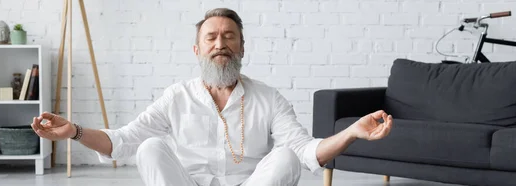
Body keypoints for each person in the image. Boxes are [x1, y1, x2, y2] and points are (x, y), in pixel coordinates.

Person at [31, 8, 393, 186]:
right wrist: (74, 132)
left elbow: (303, 151)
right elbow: (124, 141)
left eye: (229, 36)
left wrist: (350, 133)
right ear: (197, 49)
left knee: (284, 157)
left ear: (242, 47)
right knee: (148, 148)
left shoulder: (268, 98)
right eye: (211, 37)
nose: (220, 43)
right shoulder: (177, 96)